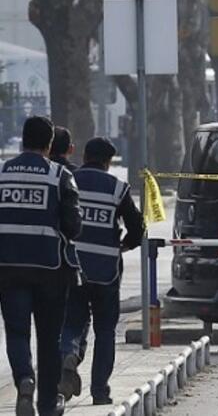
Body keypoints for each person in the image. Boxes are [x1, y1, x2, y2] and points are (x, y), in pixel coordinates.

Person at [0, 116, 82, 416]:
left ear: (23, 140)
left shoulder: (2, 174)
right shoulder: (59, 175)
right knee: (49, 340)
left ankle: (24, 379)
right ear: (49, 145)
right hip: (50, 271)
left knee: (17, 333)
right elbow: (74, 226)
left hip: (8, 268)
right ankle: (47, 405)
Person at [58, 138, 144, 405]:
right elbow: (137, 228)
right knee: (105, 331)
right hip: (106, 270)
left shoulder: (68, 179)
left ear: (84, 156)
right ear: (108, 162)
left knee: (72, 322)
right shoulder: (117, 188)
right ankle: (100, 392)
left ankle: (68, 354)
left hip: (73, 266)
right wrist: (123, 246)